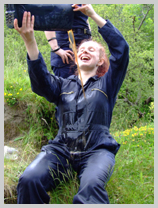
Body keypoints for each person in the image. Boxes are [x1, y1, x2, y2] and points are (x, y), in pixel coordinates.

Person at [14, 4, 129, 204]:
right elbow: (41, 82)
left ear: (101, 61)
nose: (85, 51)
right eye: (81, 49)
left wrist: (92, 14)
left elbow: (121, 50)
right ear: (75, 58)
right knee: (28, 180)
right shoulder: (62, 85)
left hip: (97, 150)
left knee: (91, 187)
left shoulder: (108, 83)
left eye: (91, 49)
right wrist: (30, 40)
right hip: (60, 150)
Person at [44, 4, 91, 78]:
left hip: (84, 46)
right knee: (68, 87)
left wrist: (90, 42)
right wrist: (56, 49)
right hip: (65, 50)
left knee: (87, 86)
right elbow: (48, 20)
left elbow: (85, 21)